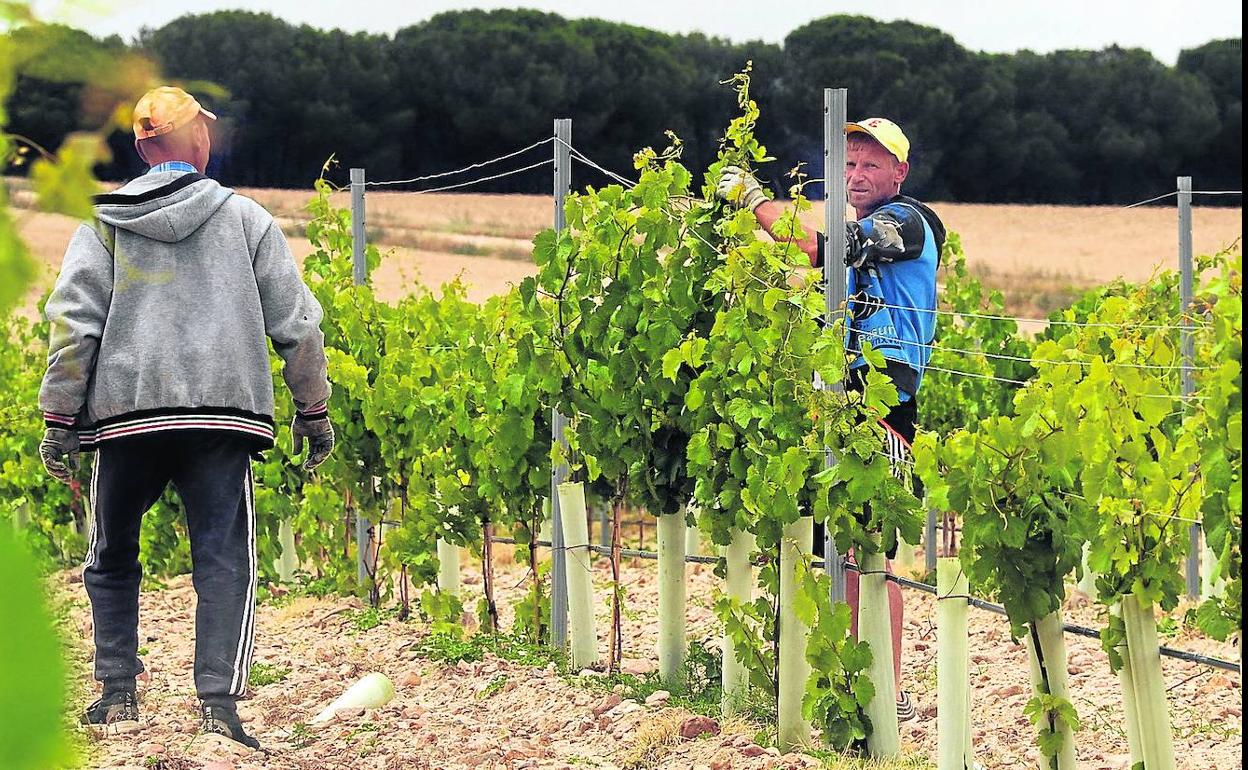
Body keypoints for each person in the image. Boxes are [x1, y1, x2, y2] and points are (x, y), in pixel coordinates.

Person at [37, 86, 335, 750]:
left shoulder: (104, 225)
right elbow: (298, 326)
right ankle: (219, 708)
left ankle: (117, 694)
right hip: (221, 421)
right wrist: (313, 411)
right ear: (198, 140)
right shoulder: (247, 221)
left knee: (110, 556)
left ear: (143, 148)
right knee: (225, 561)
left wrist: (59, 418)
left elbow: (73, 328)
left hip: (127, 418)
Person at [715, 117, 946, 723]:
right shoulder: (861, 229)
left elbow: (828, 248)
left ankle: (888, 695)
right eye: (849, 164)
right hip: (839, 390)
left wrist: (755, 201)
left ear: (900, 172)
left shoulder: (909, 222)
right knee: (838, 547)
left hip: (885, 395)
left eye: (872, 164)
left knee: (872, 548)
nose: (858, 175)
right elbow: (818, 271)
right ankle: (853, 682)